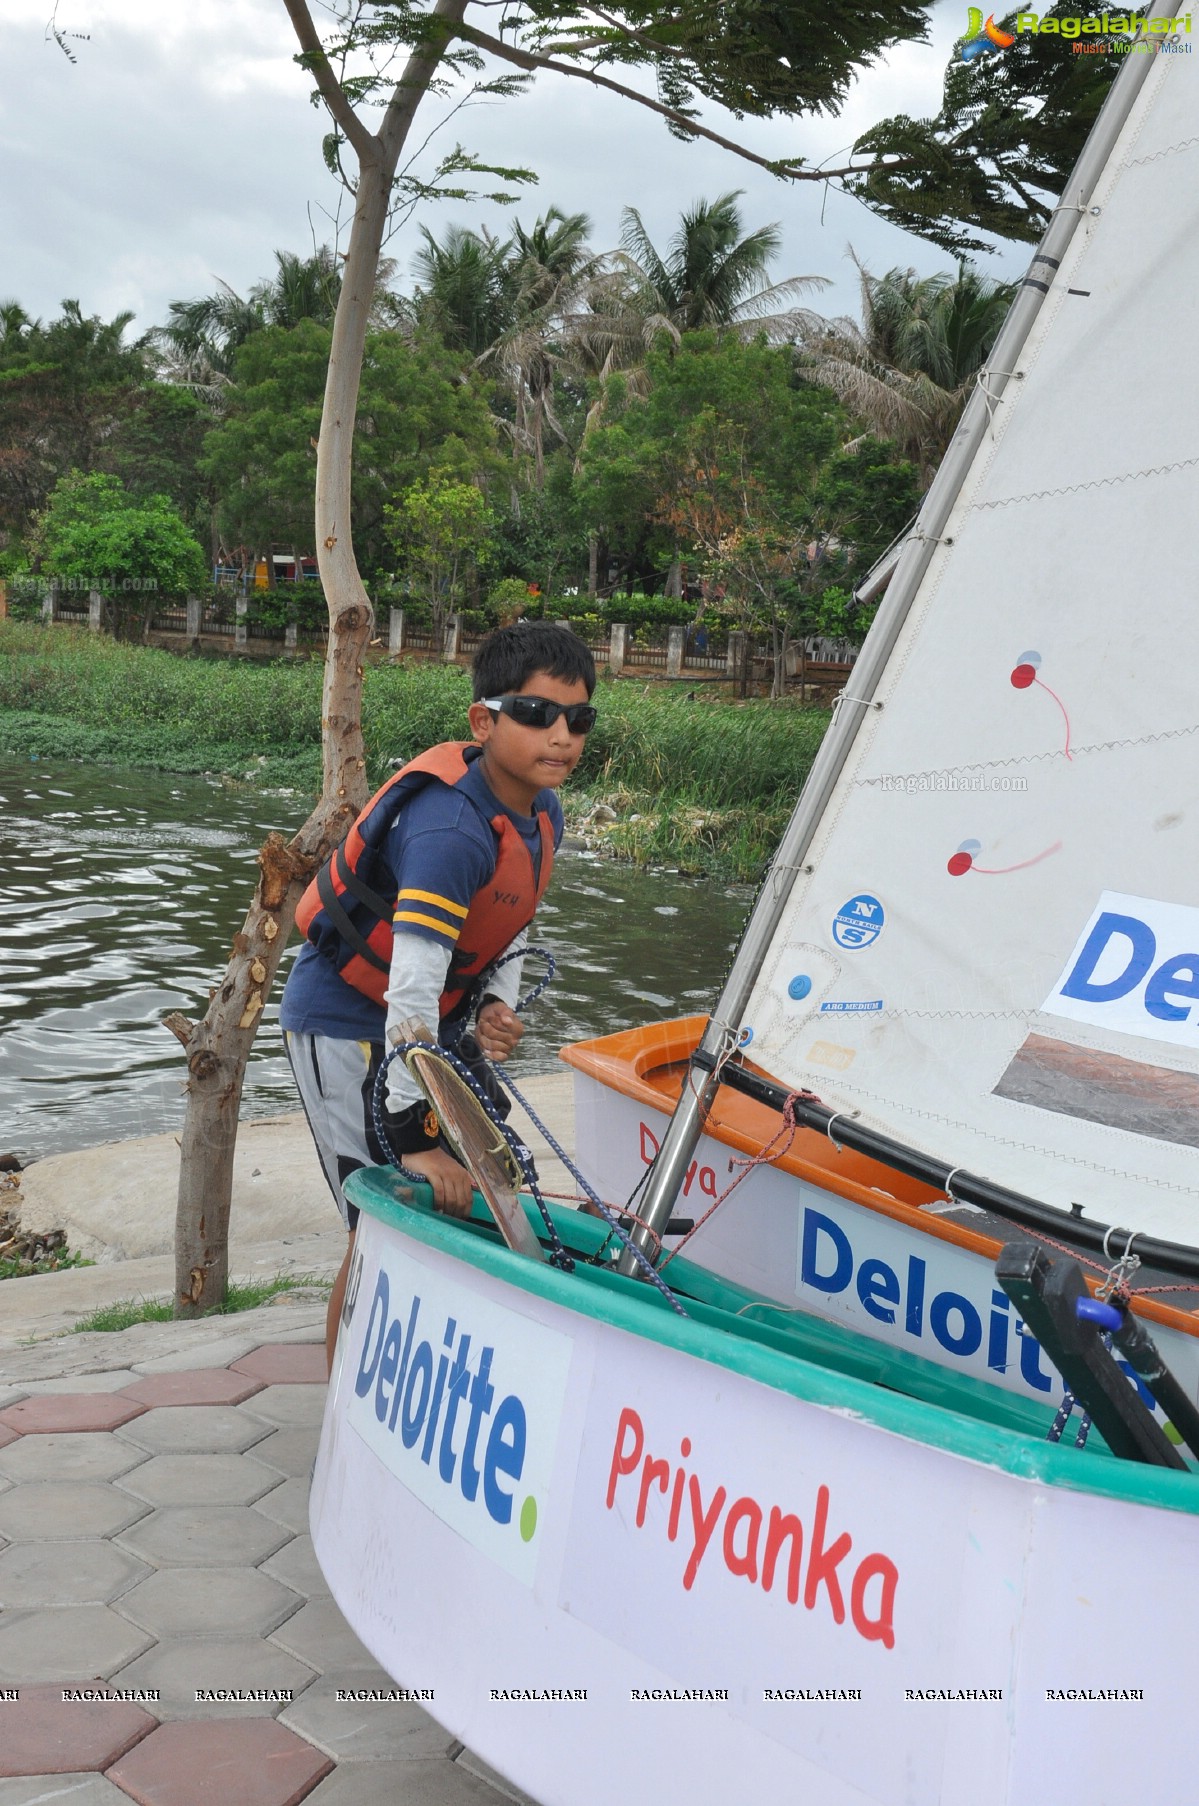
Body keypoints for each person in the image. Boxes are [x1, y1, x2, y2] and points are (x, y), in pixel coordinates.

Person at [279, 621, 598, 1368]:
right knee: (382, 1218)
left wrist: (496, 1005)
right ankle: (346, 1410)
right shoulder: (448, 831)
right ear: (483, 721)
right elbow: (411, 989)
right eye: (535, 714)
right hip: (347, 1024)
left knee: (489, 1193)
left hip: (429, 1028)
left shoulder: (539, 811)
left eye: (577, 719)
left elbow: (511, 916)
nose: (560, 735)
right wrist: (416, 1143)